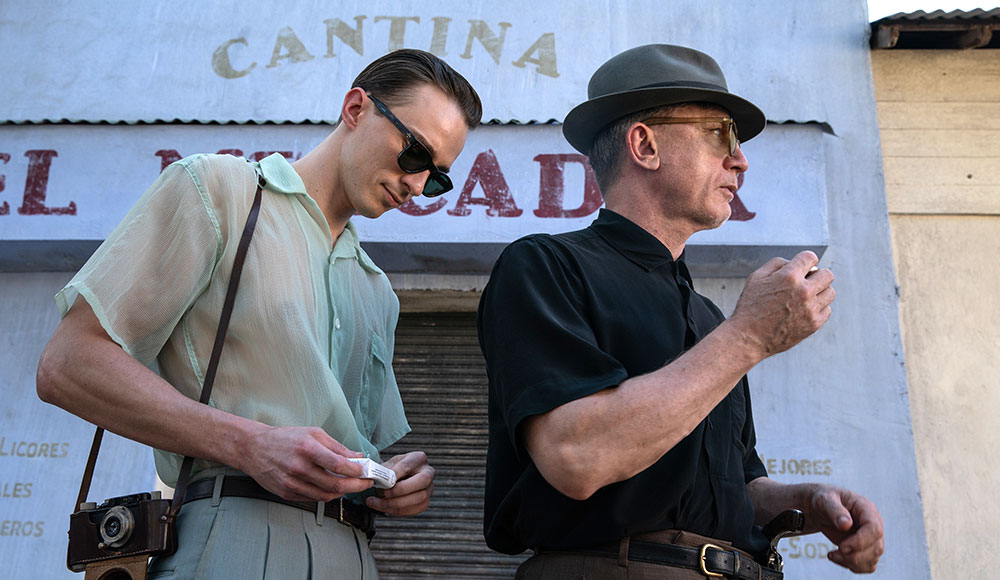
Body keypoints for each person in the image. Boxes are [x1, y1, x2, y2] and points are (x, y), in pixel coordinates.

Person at [37, 49, 482, 579]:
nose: (416, 185)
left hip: (357, 557)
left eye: (436, 178)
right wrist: (247, 444)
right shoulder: (220, 191)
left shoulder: (376, 287)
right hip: (233, 538)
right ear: (356, 109)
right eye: (414, 154)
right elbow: (67, 364)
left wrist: (389, 480)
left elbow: (340, 446)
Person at [477, 44, 884, 579]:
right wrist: (750, 337)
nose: (740, 159)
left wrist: (808, 497)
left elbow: (731, 483)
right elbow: (576, 456)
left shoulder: (712, 317)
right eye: (721, 134)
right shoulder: (548, 266)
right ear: (644, 145)